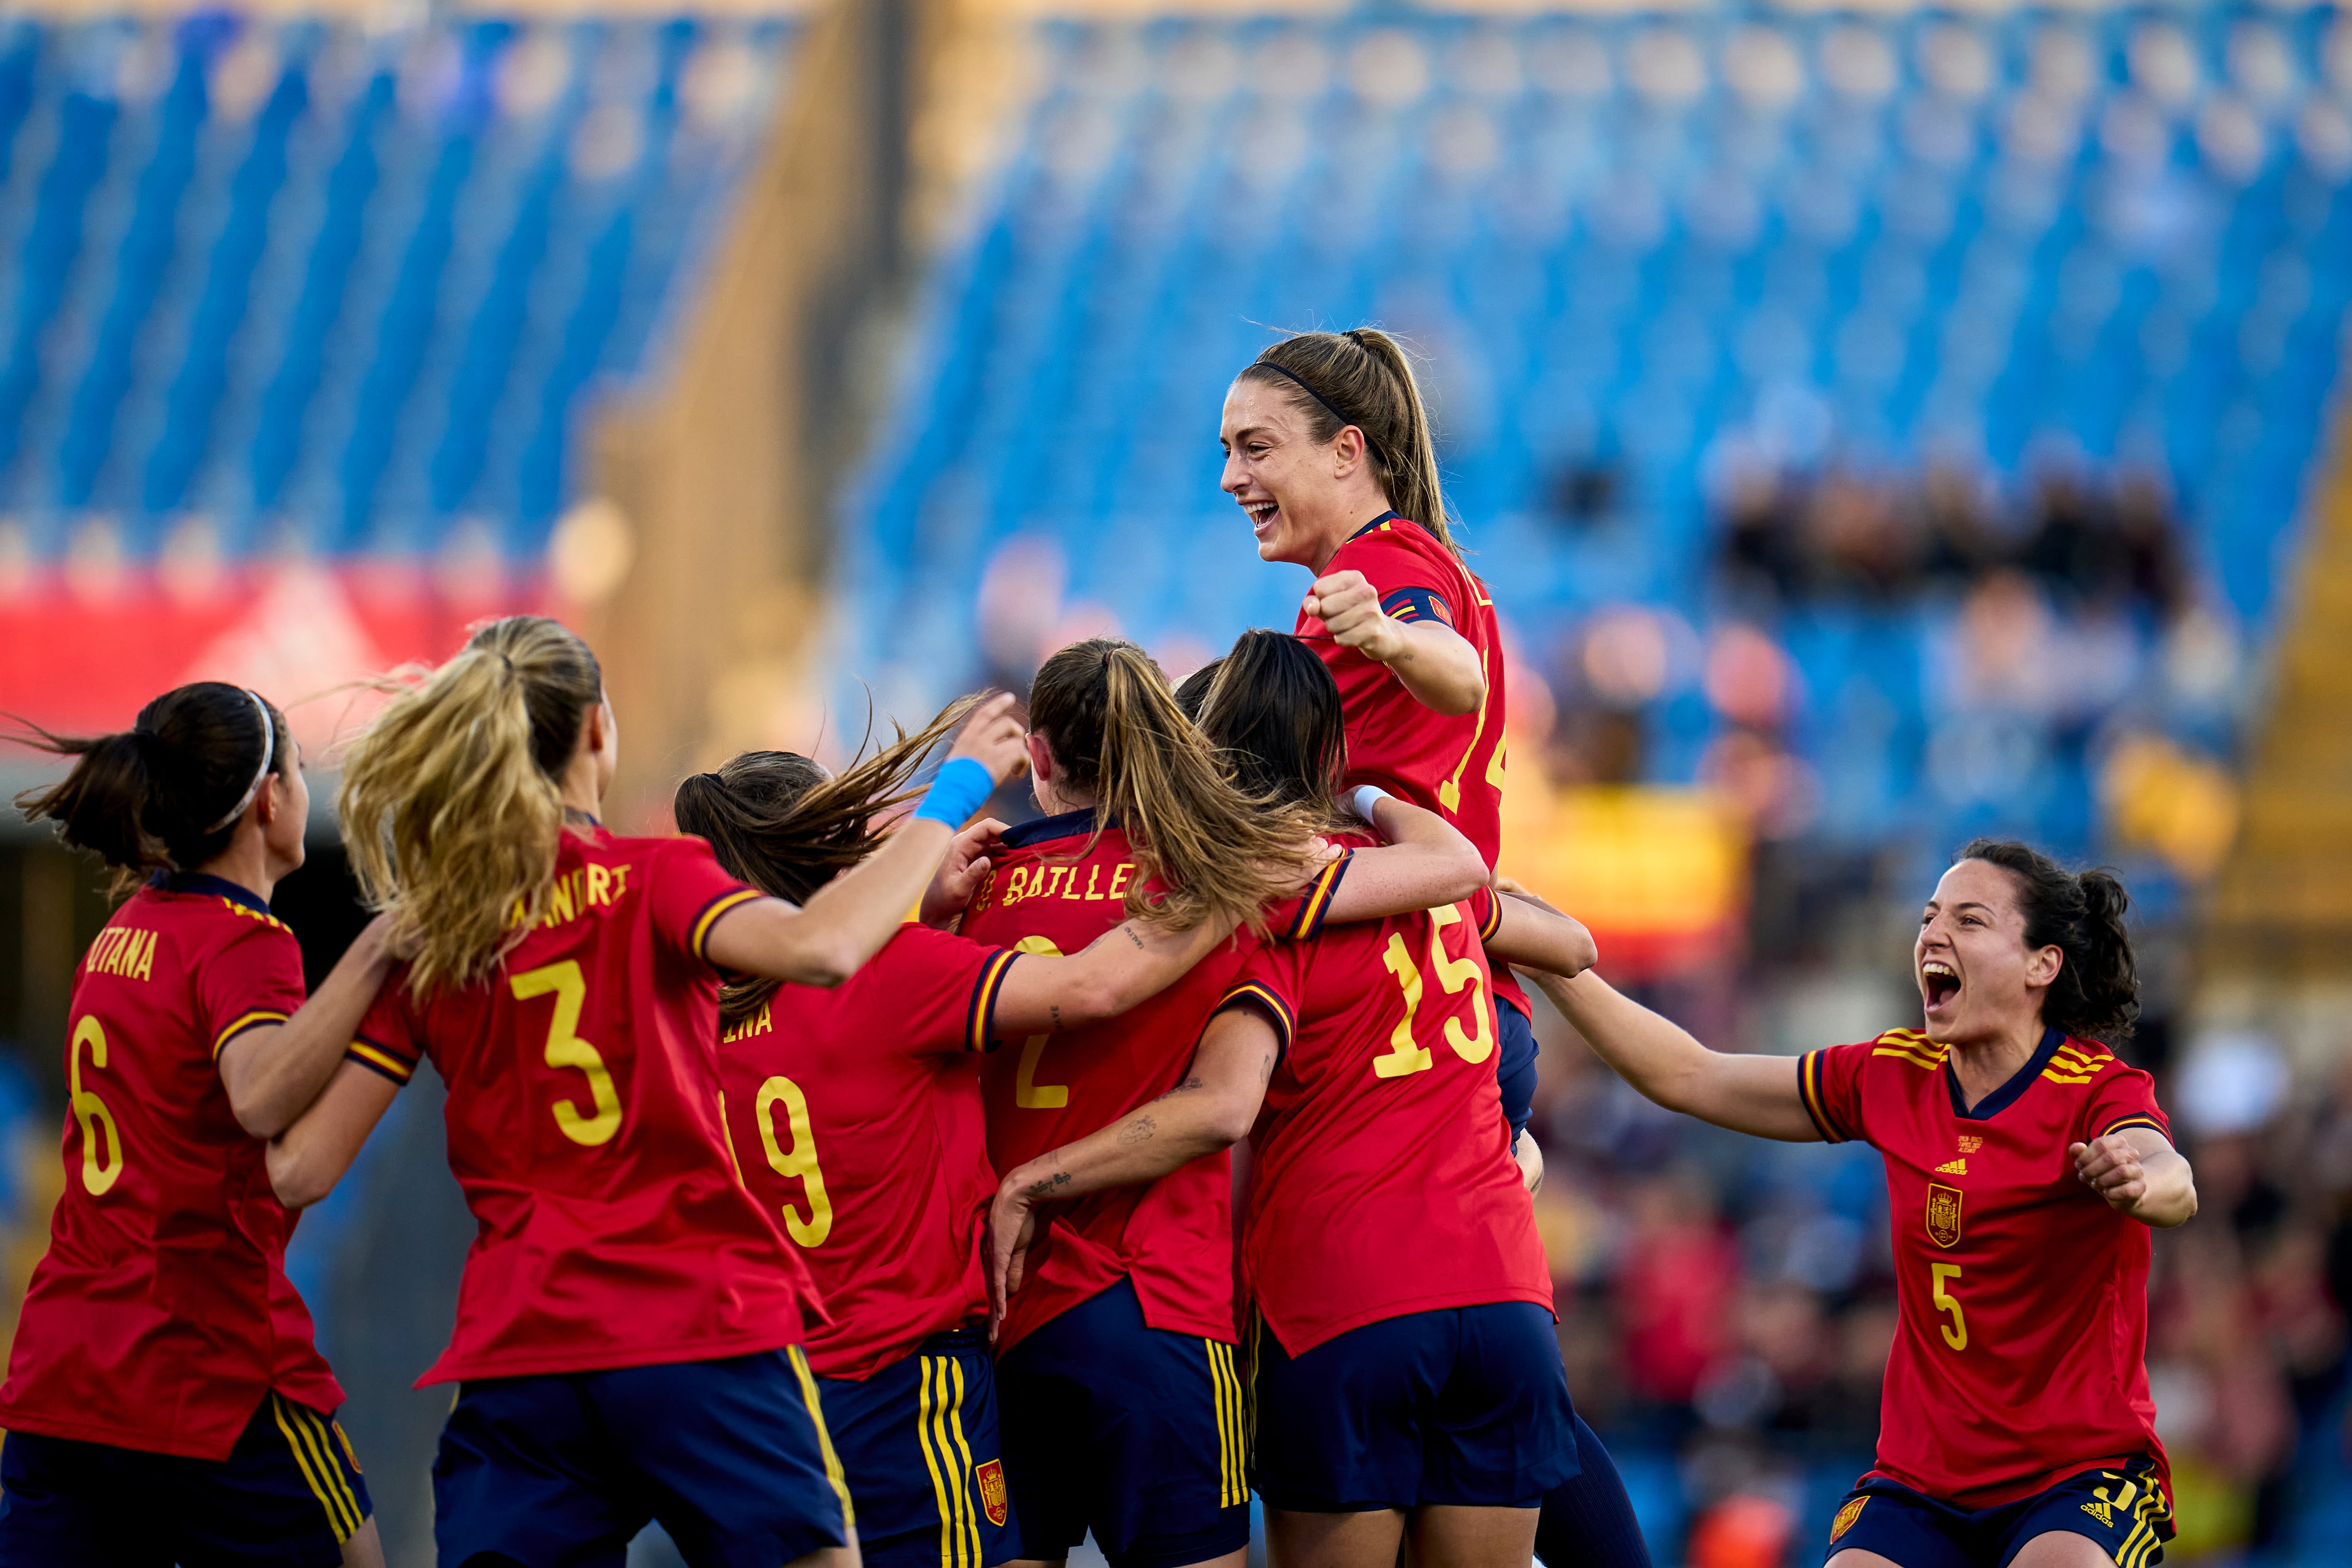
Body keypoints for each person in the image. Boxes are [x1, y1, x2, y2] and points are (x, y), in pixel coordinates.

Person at [259, 616, 1029, 1568]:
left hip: (523, 1355)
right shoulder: (656, 879)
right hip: (689, 1326)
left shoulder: (439, 943)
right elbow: (820, 947)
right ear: (594, 732)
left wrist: (375, 944)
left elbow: (295, 1169)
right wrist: (951, 793)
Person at [988, 631, 1604, 1568]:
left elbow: (1220, 1100)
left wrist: (1035, 1179)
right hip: (1502, 1291)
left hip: (1339, 1299)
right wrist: (1363, 796)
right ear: (1328, 754)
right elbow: (1567, 941)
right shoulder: (1412, 883)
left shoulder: (1246, 898)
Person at [1220, 330, 1650, 1565]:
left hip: (1385, 1014)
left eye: (1256, 446)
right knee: (1492, 1377)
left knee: (1365, 1319)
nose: (1233, 475)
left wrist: (1389, 634)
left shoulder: (1381, 572)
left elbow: (1450, 675)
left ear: (1347, 449)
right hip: (1460, 1003)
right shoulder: (1403, 576)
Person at [672, 710, 1255, 1568]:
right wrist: (1231, 882)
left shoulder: (685, 1022)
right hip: (908, 1395)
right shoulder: (893, 975)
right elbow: (1093, 985)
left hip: (765, 1409)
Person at [1526, 841, 2193, 1568]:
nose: (1934, 934)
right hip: (1922, 1484)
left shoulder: (2096, 1088)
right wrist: (1551, 962)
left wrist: (2137, 1180)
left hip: (2081, 1475)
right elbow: (1690, 1073)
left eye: (1969, 921)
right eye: (1930, 916)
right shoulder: (1892, 1073)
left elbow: (2172, 1176)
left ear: (2043, 964)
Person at [0, 683, 396, 1567]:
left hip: (64, 1374)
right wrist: (381, 948)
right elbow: (258, 1097)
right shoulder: (246, 939)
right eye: (298, 768)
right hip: (204, 1369)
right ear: (269, 798)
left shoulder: (122, 932)